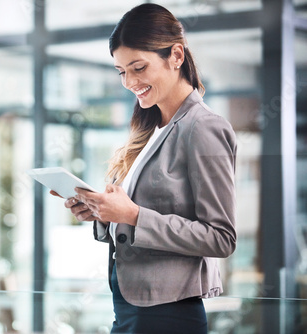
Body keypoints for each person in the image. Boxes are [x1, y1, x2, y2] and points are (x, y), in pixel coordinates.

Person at [51, 4, 237, 334]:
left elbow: (220, 238)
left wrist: (133, 215)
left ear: (176, 55)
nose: (130, 82)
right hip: (128, 305)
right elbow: (134, 219)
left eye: (138, 68)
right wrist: (101, 211)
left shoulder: (204, 128)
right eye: (122, 71)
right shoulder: (149, 130)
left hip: (167, 313)